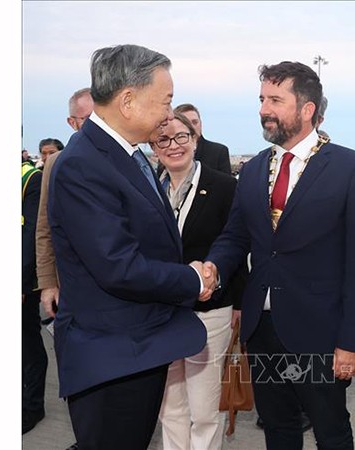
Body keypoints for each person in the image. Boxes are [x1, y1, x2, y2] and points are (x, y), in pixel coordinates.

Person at [203, 61, 355, 450]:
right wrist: (213, 267)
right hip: (262, 327)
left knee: (331, 430)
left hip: (321, 331)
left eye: (275, 100)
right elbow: (235, 236)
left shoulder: (352, 168)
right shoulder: (252, 171)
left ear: (307, 109)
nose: (264, 109)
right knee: (278, 428)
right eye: (262, 99)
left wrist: (353, 341)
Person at [48, 44, 214, 450]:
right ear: (127, 100)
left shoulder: (124, 156)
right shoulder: (84, 164)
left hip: (136, 348)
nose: (169, 114)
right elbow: (118, 265)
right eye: (165, 101)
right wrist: (191, 279)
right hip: (112, 358)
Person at [152, 111, 247, 450]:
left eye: (181, 136)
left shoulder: (223, 186)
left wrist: (234, 296)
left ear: (194, 140)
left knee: (205, 409)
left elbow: (236, 243)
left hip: (209, 312)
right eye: (163, 139)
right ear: (153, 146)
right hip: (160, 312)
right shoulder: (147, 186)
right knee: (171, 405)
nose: (173, 145)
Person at [35, 87, 94, 450]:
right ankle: (83, 436)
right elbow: (44, 226)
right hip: (69, 287)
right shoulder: (56, 164)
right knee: (74, 368)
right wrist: (47, 283)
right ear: (72, 122)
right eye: (85, 120)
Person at [22, 158, 47, 434]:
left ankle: (32, 406)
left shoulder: (30, 178)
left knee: (27, 348)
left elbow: (30, 235)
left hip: (23, 281)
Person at [174, 103, 232, 175]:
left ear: (201, 124)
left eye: (195, 122)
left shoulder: (218, 152)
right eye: (186, 123)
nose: (191, 127)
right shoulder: (170, 154)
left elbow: (227, 184)